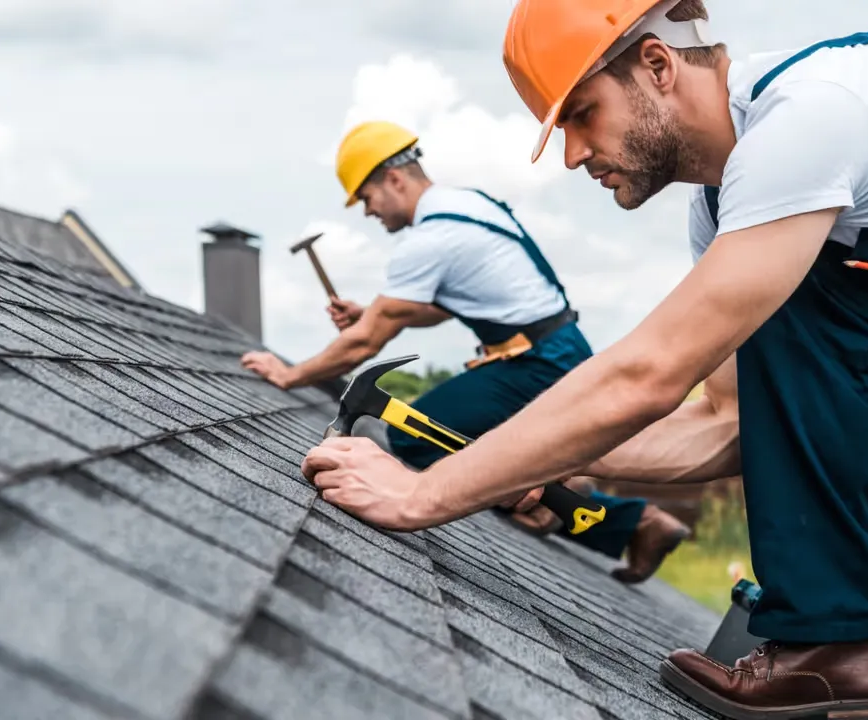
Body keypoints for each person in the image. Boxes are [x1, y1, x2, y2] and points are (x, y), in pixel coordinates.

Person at [299, 1, 868, 717]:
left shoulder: (811, 116)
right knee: (800, 296)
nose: (572, 155)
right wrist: (516, 464)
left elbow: (649, 374)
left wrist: (424, 492)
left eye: (581, 115)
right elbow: (726, 425)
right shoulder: (731, 212)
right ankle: (837, 641)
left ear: (658, 66)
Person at [241, 119, 689, 583]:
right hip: (550, 351)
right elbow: (436, 310)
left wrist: (289, 374)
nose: (369, 213)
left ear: (393, 179)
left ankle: (591, 508)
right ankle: (601, 510)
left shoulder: (431, 237)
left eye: (367, 198)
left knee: (412, 438)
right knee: (485, 453)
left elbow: (365, 343)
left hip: (533, 363)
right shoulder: (468, 206)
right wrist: (372, 313)